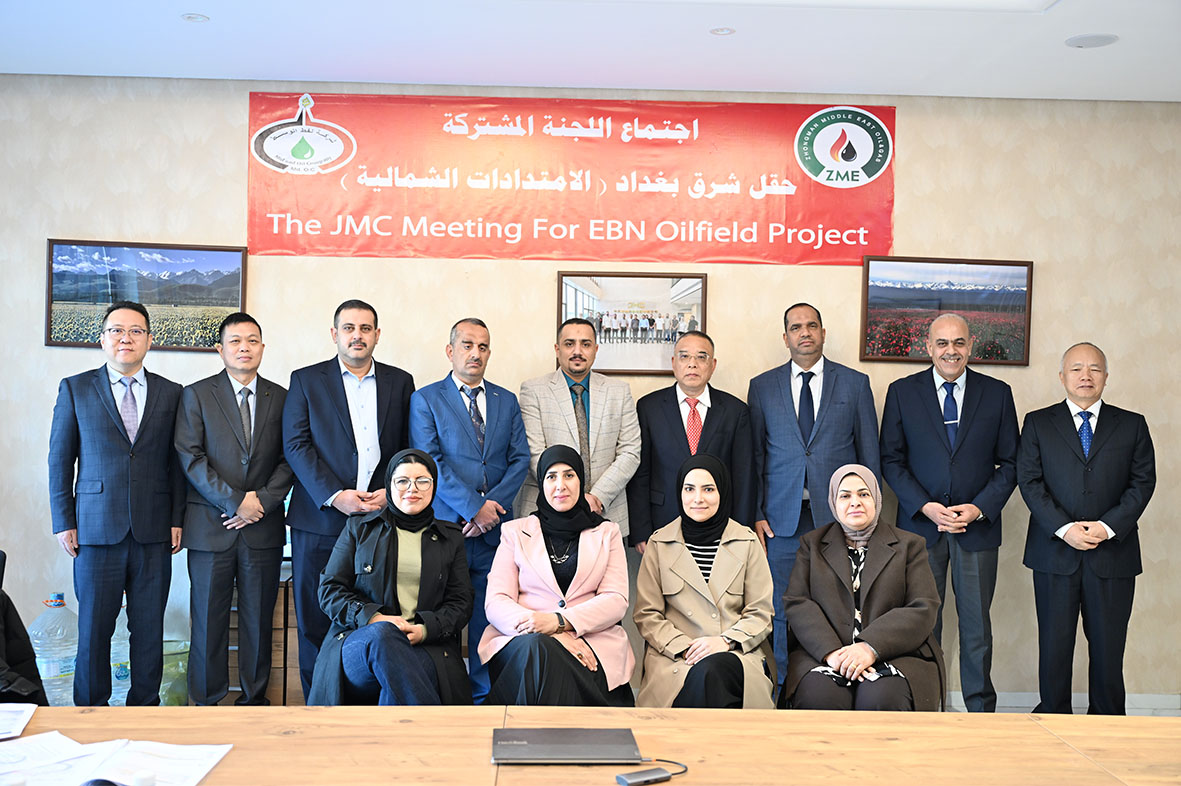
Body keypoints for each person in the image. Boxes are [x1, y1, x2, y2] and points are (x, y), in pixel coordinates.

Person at [879, 313, 1018, 712]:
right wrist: (925, 506)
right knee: (923, 624)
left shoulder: (997, 394)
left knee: (977, 628)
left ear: (971, 345)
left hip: (977, 531)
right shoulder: (902, 392)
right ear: (928, 347)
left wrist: (978, 508)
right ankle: (927, 707)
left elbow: (1012, 463)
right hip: (921, 530)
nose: (950, 351)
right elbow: (891, 460)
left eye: (958, 343)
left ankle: (980, 711)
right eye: (942, 343)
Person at [48, 301, 185, 706]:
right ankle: (90, 712)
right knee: (94, 629)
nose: (126, 338)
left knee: (149, 630)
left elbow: (177, 463)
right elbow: (60, 459)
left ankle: (144, 710)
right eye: (117, 330)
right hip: (94, 529)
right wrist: (63, 520)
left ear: (150, 340)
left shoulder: (172, 393)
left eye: (136, 331)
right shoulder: (75, 388)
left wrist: (177, 518)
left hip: (153, 529)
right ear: (103, 338)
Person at [282, 299, 415, 697]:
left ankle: (365, 709)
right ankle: (319, 708)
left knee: (374, 617)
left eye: (365, 328)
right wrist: (334, 495)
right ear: (334, 334)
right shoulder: (306, 380)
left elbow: (407, 446)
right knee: (314, 619)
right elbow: (296, 445)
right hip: (319, 520)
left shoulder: (400, 382)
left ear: (377, 335)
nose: (357, 335)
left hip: (380, 520)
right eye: (349, 328)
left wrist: (392, 492)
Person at [746, 302, 879, 689]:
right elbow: (756, 456)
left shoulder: (854, 384)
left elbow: (869, 457)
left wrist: (867, 518)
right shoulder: (762, 386)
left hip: (838, 518)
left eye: (811, 326)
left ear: (823, 333)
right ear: (785, 337)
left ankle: (833, 688)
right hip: (780, 519)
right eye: (796, 327)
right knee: (781, 608)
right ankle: (783, 689)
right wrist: (757, 512)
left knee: (839, 607)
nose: (804, 332)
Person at [1017, 342, 1155, 715]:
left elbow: (1142, 483)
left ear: (1106, 377)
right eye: (1076, 368)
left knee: (1109, 650)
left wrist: (1106, 527)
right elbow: (1029, 481)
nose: (1085, 376)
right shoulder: (1038, 423)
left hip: (1113, 554)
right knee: (1054, 648)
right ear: (1062, 376)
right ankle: (1054, 720)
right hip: (1054, 553)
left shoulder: (1132, 424)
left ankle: (1108, 724)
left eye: (1094, 369)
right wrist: (1065, 528)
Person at [174, 312, 294, 706]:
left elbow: (290, 458)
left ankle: (254, 703)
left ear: (263, 347)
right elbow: (190, 457)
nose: (245, 348)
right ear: (220, 349)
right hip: (211, 528)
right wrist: (235, 501)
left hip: (263, 527)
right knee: (208, 623)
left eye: (252, 340)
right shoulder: (196, 394)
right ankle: (207, 704)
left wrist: (261, 501)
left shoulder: (282, 397)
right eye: (236, 341)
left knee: (258, 623)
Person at [408, 317, 530, 702]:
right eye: (467, 345)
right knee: (441, 618)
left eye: (483, 346)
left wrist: (491, 511)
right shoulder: (426, 399)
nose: (475, 353)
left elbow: (520, 460)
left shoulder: (506, 401)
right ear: (450, 351)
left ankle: (483, 699)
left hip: (494, 533)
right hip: (447, 529)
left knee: (488, 618)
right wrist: (475, 508)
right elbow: (431, 462)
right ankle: (444, 699)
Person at [308, 449, 473, 706]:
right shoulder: (360, 528)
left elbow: (461, 602)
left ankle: (396, 733)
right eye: (402, 481)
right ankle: (433, 728)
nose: (412, 489)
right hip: (361, 641)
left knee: (399, 673)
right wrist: (373, 618)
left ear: (433, 486)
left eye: (422, 481)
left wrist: (425, 630)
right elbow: (330, 590)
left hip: (424, 644)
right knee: (384, 636)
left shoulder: (450, 538)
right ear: (389, 486)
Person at [480, 446, 635, 705]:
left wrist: (560, 622)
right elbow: (496, 601)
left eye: (569, 475)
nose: (560, 485)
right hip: (524, 642)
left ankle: (532, 731)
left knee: (543, 659)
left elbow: (615, 600)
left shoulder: (607, 533)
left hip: (591, 644)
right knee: (538, 649)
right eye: (551, 477)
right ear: (541, 483)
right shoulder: (515, 532)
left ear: (581, 481)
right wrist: (548, 630)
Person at [782, 465, 945, 711]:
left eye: (864, 494)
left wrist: (870, 647)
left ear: (876, 499)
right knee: (821, 697)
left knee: (881, 698)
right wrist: (833, 653)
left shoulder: (910, 545)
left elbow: (923, 607)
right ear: (833, 502)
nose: (855, 502)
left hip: (895, 654)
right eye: (845, 496)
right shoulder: (812, 545)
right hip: (826, 654)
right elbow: (798, 602)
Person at [633, 454, 774, 708]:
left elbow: (760, 613)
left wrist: (725, 641)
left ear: (723, 492)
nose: (698, 498)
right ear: (679, 493)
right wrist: (685, 647)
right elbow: (647, 614)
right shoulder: (659, 544)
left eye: (708, 489)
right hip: (677, 656)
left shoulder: (747, 542)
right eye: (689, 489)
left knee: (716, 671)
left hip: (735, 652)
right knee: (707, 676)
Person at [627, 330, 755, 552]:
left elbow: (743, 478)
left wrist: (742, 533)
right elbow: (641, 474)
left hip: (720, 525)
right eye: (684, 356)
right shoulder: (649, 407)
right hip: (662, 522)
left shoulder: (735, 411)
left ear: (713, 365)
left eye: (701, 357)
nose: (692, 364)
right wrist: (641, 530)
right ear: (674, 363)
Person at [517, 317, 641, 539]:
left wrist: (597, 496)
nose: (577, 351)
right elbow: (534, 453)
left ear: (595, 349)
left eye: (585, 344)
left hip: (606, 511)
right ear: (557, 349)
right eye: (569, 344)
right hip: (547, 515)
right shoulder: (533, 390)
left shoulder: (619, 391)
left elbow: (630, 452)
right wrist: (569, 495)